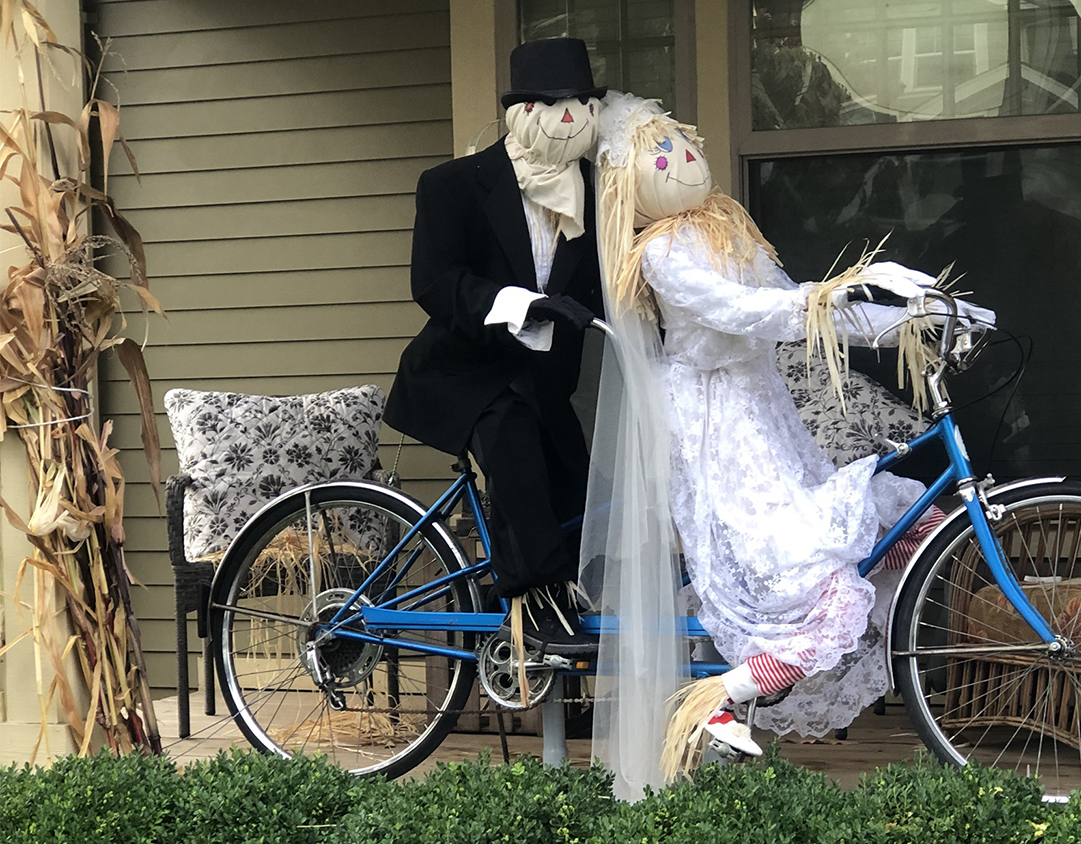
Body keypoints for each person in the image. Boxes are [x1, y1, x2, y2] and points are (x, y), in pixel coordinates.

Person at [583, 92, 991, 785]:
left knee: (892, 528)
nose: (684, 161)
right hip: (717, 429)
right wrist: (837, 296)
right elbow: (743, 311)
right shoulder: (660, 254)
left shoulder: (723, 230)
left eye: (684, 147)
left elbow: (797, 308)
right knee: (811, 573)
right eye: (663, 155)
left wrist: (902, 321)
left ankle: (762, 684)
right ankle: (726, 700)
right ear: (631, 184)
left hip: (764, 417)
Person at [385, 38, 604, 651]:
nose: (570, 116)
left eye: (581, 103)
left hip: (543, 382)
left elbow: (613, 284)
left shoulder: (595, 191)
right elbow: (434, 283)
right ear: (522, 112)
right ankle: (538, 608)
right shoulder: (452, 185)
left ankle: (555, 640)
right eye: (554, 103)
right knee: (511, 444)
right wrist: (520, 303)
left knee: (576, 482)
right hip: (461, 373)